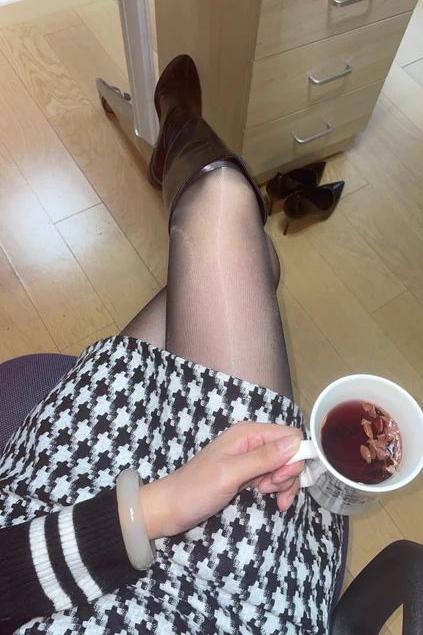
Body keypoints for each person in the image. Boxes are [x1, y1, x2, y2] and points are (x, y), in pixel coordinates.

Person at [0, 56, 345, 634]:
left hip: (43, 530)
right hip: (222, 608)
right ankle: (178, 124)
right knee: (230, 217)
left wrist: (153, 509)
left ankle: (179, 131)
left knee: (231, 227)